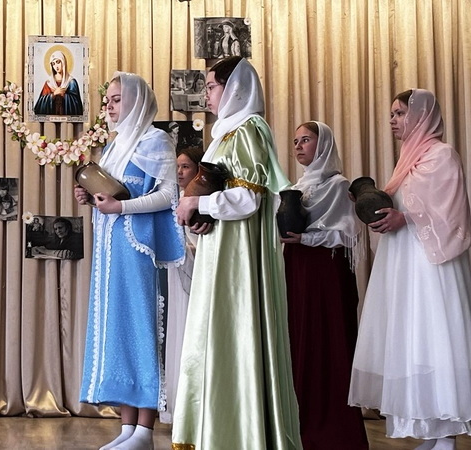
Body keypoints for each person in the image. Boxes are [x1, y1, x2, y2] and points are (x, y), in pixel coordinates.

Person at [172, 56, 302, 449]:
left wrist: (198, 204)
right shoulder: (225, 133)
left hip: (239, 259)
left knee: (235, 334)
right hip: (221, 250)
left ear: (235, 88)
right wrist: (202, 216)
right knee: (215, 339)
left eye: (212, 87)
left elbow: (248, 199)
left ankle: (241, 435)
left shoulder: (248, 129)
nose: (207, 96)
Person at [349, 89, 471, 450]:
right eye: (392, 114)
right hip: (406, 265)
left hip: (432, 267)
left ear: (421, 116)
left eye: (400, 113)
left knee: (435, 340)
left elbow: (453, 213)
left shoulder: (443, 155)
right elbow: (400, 204)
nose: (393, 120)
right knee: (413, 344)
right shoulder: (407, 160)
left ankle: (446, 435)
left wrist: (406, 217)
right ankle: (430, 432)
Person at [74, 72, 185, 450]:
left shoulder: (156, 140)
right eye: (108, 99)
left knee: (141, 329)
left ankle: (145, 431)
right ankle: (127, 428)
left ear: (137, 101)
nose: (109, 106)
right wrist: (92, 198)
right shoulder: (113, 147)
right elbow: (112, 196)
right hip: (110, 252)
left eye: (117, 99)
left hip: (139, 250)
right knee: (118, 330)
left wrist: (120, 207)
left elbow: (168, 195)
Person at [280, 121, 368, 449]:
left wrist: (306, 238)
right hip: (298, 266)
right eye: (295, 141)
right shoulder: (296, 187)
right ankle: (300, 421)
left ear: (324, 144)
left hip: (326, 272)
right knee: (299, 337)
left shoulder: (338, 185)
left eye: (306, 140)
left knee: (328, 340)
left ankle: (334, 429)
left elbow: (346, 234)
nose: (298, 146)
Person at [159, 145, 204, 426]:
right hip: (177, 273)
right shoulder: (174, 198)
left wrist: (188, 246)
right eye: (176, 167)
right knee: (177, 329)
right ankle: (178, 404)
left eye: (185, 166)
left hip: (197, 273)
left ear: (198, 170)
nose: (179, 172)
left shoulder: (201, 199)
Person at [34, 50, 83, 116]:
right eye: (53, 64)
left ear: (63, 62)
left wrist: (64, 95)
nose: (56, 66)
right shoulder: (49, 83)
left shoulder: (71, 82)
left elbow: (77, 106)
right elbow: (40, 105)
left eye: (58, 62)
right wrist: (53, 94)